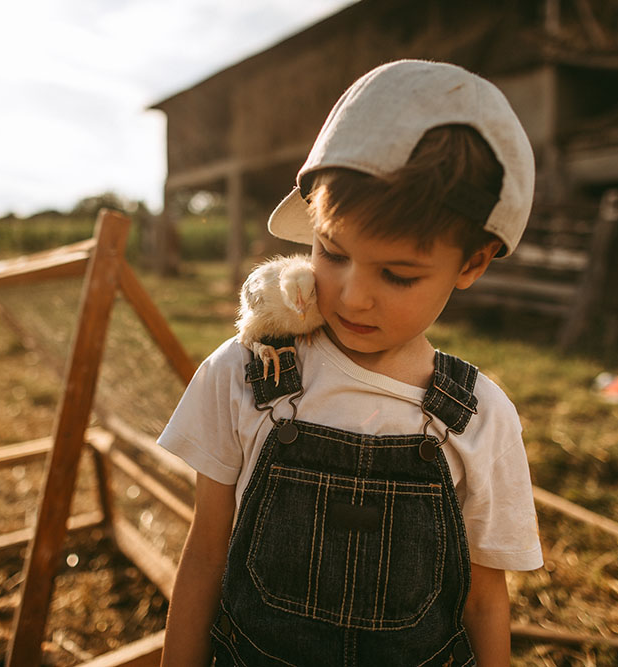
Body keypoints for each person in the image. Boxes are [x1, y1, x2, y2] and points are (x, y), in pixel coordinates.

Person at [158, 59, 543, 666]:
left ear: (473, 263)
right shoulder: (246, 371)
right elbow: (206, 551)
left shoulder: (479, 417)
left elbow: (484, 603)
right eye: (332, 253)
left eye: (398, 274)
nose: (352, 295)